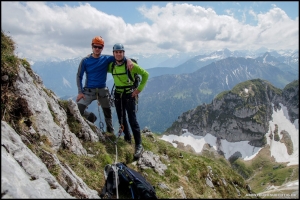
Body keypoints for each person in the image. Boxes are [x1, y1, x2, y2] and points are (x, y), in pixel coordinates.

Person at [76, 36, 133, 133]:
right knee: (77, 109)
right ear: (92, 46)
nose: (97, 49)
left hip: (102, 91)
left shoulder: (106, 59)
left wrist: (128, 59)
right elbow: (79, 76)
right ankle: (90, 116)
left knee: (107, 112)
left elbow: (119, 57)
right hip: (88, 91)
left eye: (100, 47)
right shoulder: (85, 60)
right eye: (95, 46)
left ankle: (110, 131)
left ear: (102, 48)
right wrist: (80, 92)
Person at [108, 43, 149, 158]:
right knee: (121, 118)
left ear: (123, 53)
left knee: (132, 119)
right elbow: (101, 62)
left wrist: (138, 90)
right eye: (116, 52)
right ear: (114, 54)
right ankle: (127, 138)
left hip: (129, 94)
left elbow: (145, 75)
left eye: (120, 52)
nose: (118, 54)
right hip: (118, 95)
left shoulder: (130, 65)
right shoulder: (111, 65)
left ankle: (139, 144)